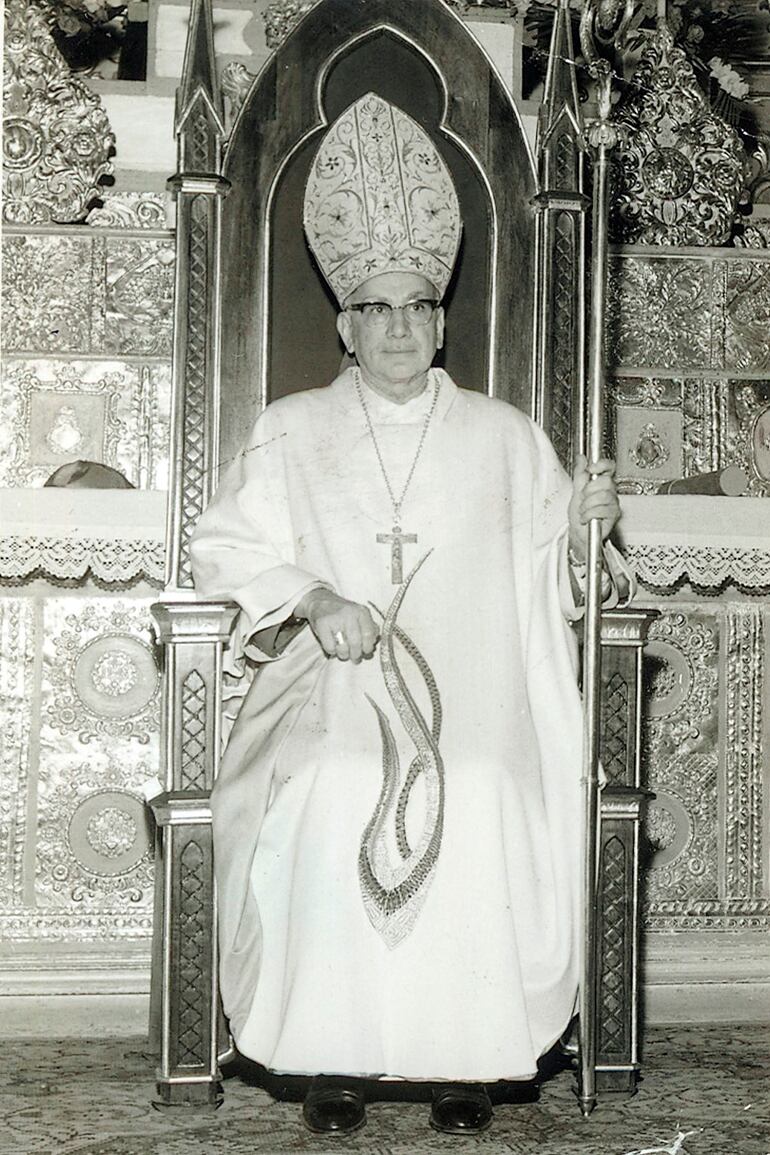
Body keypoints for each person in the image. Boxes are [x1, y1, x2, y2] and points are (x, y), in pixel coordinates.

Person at [190, 91, 632, 1137]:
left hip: (479, 696)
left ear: (441, 320)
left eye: (417, 309)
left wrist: (585, 530)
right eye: (376, 310)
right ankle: (330, 1060)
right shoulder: (292, 429)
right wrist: (313, 596)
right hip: (331, 701)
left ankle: (461, 1061)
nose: (397, 329)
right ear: (344, 324)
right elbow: (227, 545)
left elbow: (565, 577)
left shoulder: (505, 435)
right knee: (327, 792)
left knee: (479, 787)